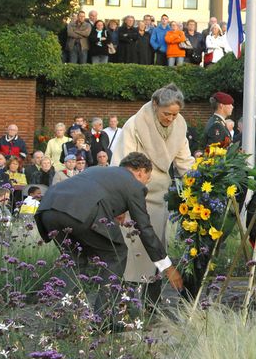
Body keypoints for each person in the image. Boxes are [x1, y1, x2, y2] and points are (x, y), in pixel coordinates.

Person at [35, 152, 184, 318]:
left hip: (48, 209)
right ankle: (105, 318)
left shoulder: (99, 171)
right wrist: (167, 267)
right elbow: (144, 228)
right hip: (80, 213)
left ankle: (62, 320)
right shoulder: (134, 184)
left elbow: (92, 193)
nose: (145, 183)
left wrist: (115, 209)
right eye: (146, 178)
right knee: (116, 253)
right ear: (140, 171)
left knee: (74, 261)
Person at [110, 83, 194, 287]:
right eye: (167, 114)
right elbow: (121, 163)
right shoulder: (135, 124)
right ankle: (128, 301)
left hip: (160, 196)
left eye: (175, 115)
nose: (171, 119)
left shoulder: (180, 125)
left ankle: (151, 302)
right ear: (155, 104)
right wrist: (119, 203)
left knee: (156, 249)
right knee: (135, 252)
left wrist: (197, 181)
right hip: (133, 197)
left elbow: (184, 162)